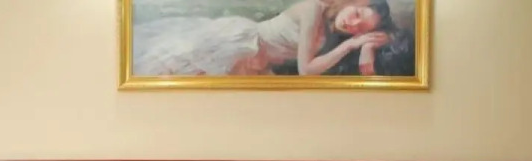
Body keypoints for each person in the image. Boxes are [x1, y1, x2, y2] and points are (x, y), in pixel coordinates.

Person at [132, 0, 393, 76]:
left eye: (360, 28)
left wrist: (366, 47)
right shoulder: (314, 8)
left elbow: (385, 43)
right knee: (171, 69)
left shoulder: (331, 33)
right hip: (242, 43)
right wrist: (352, 44)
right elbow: (306, 70)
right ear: (352, 3)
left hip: (256, 59)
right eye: (357, 13)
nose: (352, 24)